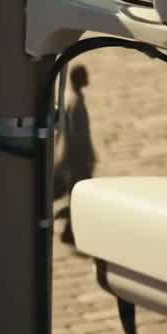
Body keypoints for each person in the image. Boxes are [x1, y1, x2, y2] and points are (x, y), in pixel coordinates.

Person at [56, 65, 96, 247]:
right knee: (77, 195)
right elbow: (76, 135)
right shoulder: (75, 103)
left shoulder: (74, 99)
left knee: (75, 195)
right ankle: (67, 230)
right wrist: (87, 156)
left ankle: (69, 229)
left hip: (75, 158)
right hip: (77, 159)